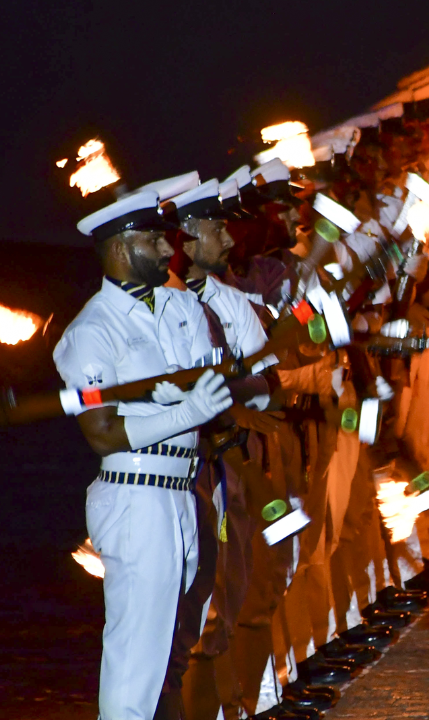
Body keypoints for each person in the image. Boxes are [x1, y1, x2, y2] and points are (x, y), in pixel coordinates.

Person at [53, 191, 232, 720]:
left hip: (181, 492)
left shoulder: (180, 308)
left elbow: (206, 378)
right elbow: (103, 433)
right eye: (153, 239)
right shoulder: (92, 331)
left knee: (172, 646)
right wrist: (188, 411)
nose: (166, 248)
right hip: (134, 497)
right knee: (135, 656)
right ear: (119, 248)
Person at [170, 177, 282, 720]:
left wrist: (229, 395)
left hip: (226, 468)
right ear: (186, 239)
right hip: (177, 473)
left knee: (231, 593)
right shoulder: (162, 309)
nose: (231, 240)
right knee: (187, 613)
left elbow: (267, 381)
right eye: (217, 228)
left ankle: (231, 705)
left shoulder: (230, 304)